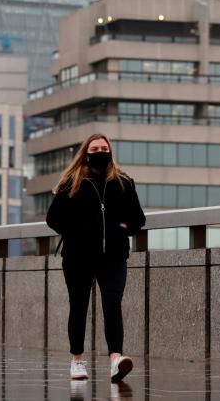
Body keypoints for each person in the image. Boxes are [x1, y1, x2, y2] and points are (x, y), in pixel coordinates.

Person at [46, 133, 145, 384]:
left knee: (113, 306)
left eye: (104, 147)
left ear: (110, 152)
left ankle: (115, 359)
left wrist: (120, 229)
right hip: (78, 257)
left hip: (113, 256)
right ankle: (77, 360)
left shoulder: (122, 182)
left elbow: (138, 219)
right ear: (86, 153)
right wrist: (79, 231)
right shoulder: (73, 182)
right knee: (78, 307)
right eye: (95, 148)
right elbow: (53, 219)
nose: (101, 151)